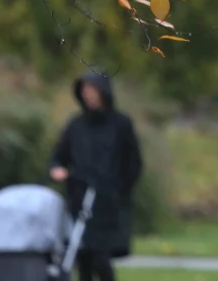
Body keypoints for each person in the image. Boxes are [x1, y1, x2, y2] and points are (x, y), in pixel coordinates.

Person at [49, 72, 143, 281]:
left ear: (103, 92)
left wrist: (119, 189)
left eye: (92, 91)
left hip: (108, 202)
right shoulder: (76, 125)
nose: (89, 96)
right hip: (80, 199)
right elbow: (59, 157)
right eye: (85, 91)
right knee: (82, 257)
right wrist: (57, 169)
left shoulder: (121, 124)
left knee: (101, 257)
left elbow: (133, 163)